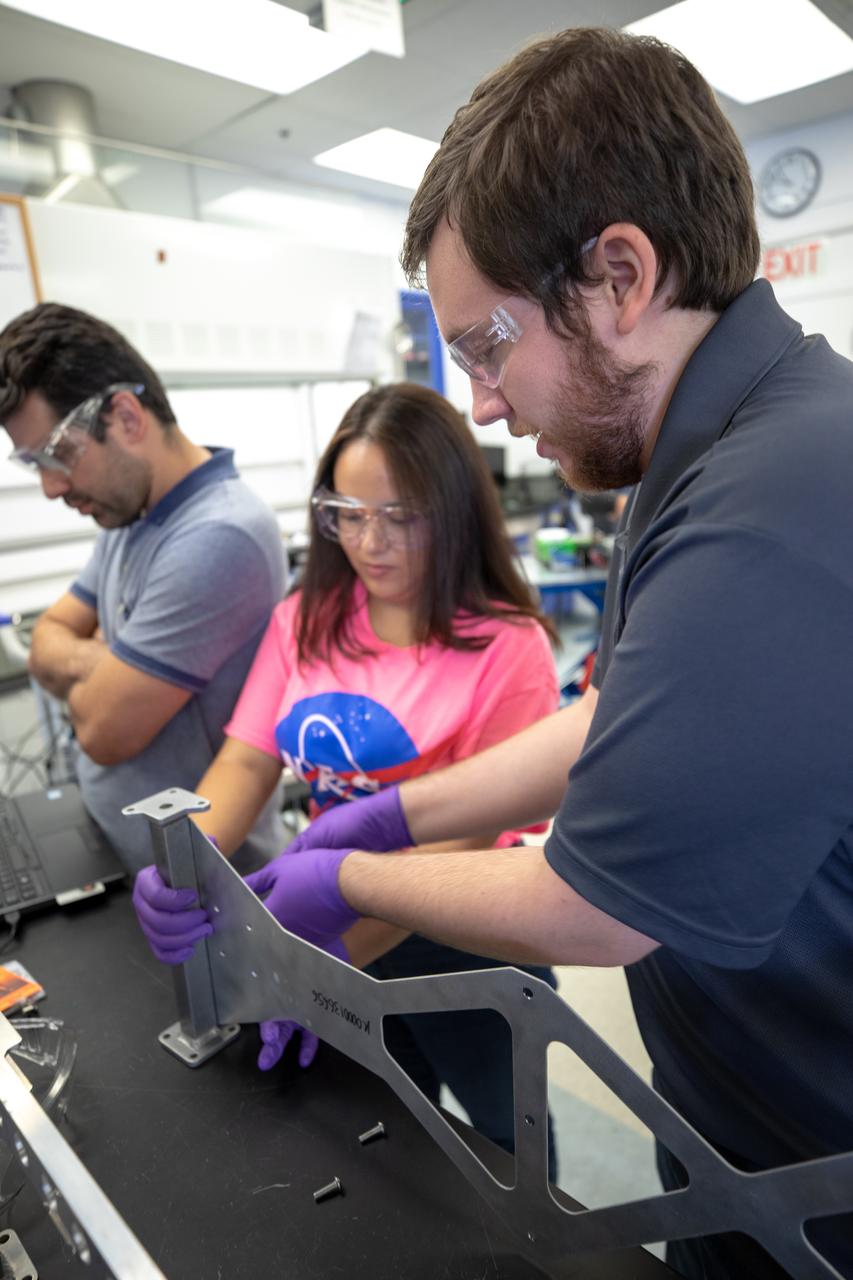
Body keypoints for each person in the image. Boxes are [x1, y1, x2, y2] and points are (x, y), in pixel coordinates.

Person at [133, 27, 853, 1278]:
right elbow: (632, 717)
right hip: (757, 1129)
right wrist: (385, 816)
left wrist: (350, 880)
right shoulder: (731, 452)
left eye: (485, 342)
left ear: (620, 275)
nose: (479, 401)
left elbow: (595, 904)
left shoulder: (767, 500)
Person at [136, 381, 560, 1162]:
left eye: (401, 517)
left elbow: (465, 844)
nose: (370, 542)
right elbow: (245, 758)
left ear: (455, 510)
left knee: (505, 1151)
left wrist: (333, 954)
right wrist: (188, 860)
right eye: (349, 515)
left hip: (463, 939)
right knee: (390, 1145)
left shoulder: (508, 647)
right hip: (327, 917)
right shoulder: (304, 620)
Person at [0, 303, 287, 873]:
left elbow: (105, 734)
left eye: (58, 454)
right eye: (35, 464)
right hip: (122, 846)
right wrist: (104, 662)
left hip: (196, 883)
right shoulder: (127, 514)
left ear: (127, 418)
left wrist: (90, 673)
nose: (53, 487)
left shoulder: (220, 534)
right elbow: (45, 643)